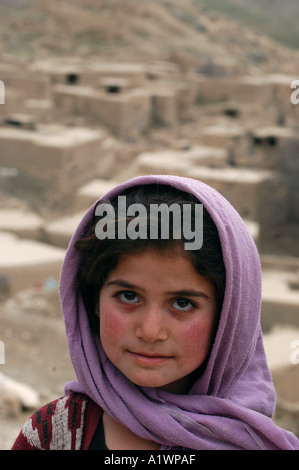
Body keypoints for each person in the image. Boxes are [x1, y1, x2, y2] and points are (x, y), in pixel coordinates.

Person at [11, 174, 299, 450]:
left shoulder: (254, 444)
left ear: (229, 319)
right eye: (128, 296)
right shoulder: (53, 435)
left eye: (182, 303)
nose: (150, 331)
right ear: (93, 301)